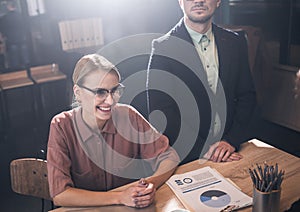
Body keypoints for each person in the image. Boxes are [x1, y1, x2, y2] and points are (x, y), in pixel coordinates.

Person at [47, 54, 179, 208]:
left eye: (114, 90)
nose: (110, 101)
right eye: (100, 92)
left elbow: (169, 156)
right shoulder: (61, 126)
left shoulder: (129, 116)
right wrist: (119, 197)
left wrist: (148, 185)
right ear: (78, 92)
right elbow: (61, 195)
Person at [146, 0, 256, 164]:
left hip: (230, 150)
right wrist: (203, 149)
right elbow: (160, 110)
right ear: (180, 2)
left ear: (218, 1)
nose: (198, 1)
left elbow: (247, 96)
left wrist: (230, 140)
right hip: (189, 155)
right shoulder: (163, 47)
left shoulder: (235, 42)